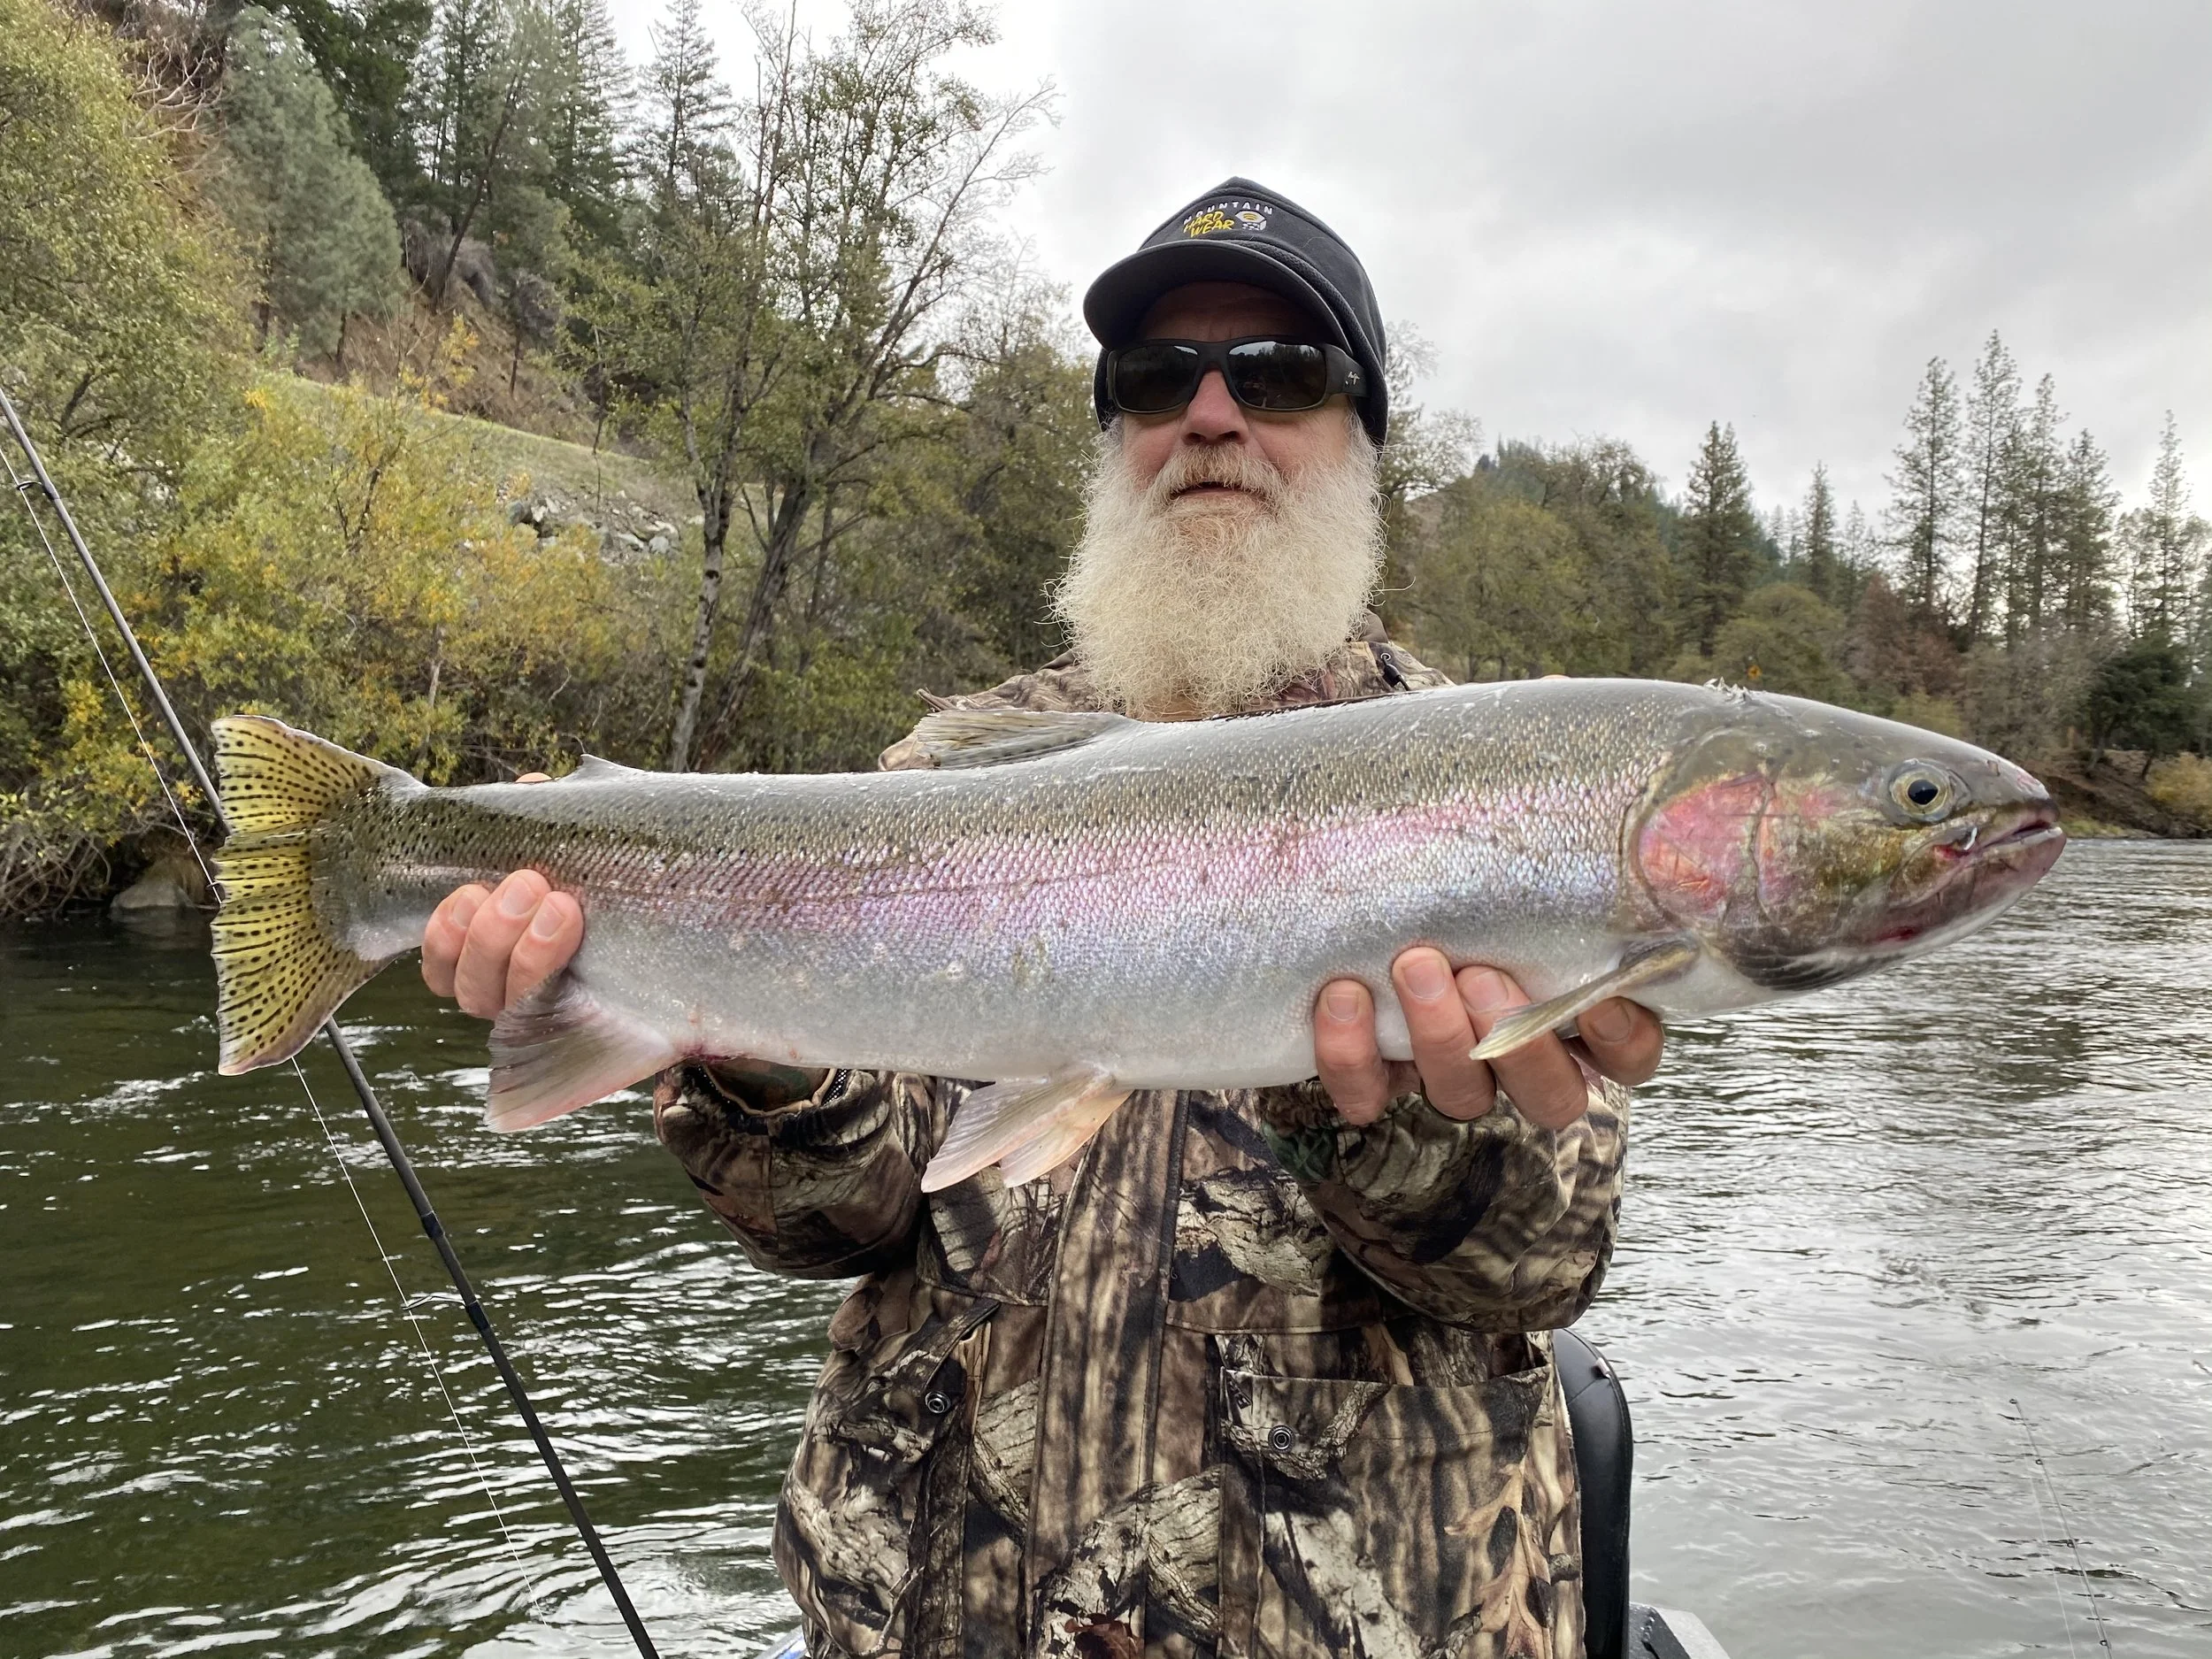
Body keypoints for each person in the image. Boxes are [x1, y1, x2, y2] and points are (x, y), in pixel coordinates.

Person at [421, 178, 1663, 1659]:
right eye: (1157, 379)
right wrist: (719, 1031)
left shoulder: (1498, 790)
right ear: (1118, 437)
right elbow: (845, 1211)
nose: (1210, 415)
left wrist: (1385, 1113)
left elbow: (1542, 1257)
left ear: (1360, 442)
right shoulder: (951, 772)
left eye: (1275, 376)